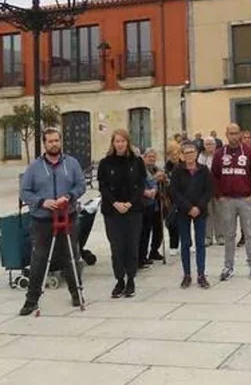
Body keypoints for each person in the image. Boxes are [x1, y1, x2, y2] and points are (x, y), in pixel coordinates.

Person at [18, 128, 86, 316]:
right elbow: (25, 191)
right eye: (50, 141)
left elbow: (81, 185)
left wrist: (69, 196)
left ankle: (76, 294)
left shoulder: (71, 163)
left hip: (67, 215)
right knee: (39, 258)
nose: (54, 144)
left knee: (71, 255)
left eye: (56, 140)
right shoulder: (34, 167)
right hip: (42, 219)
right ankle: (31, 300)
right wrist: (42, 202)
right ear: (44, 143)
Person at [98, 129, 147, 299]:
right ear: (113, 143)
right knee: (117, 247)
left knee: (132, 245)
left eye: (123, 141)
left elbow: (141, 185)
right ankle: (119, 279)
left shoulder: (137, 162)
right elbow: (103, 187)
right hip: (112, 211)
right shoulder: (105, 163)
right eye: (117, 141)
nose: (120, 144)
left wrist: (130, 203)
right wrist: (115, 203)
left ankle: (131, 279)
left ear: (128, 142)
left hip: (133, 209)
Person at [212, 123, 251, 281]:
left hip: (244, 199)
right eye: (230, 133)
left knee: (249, 233)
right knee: (229, 235)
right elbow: (214, 176)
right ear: (226, 135)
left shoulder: (249, 153)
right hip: (227, 200)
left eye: (236, 133)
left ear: (240, 134)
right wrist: (219, 195)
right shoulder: (220, 153)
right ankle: (228, 266)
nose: (234, 136)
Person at [171, 142, 214, 289]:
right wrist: (189, 208)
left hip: (200, 211)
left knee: (200, 243)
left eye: (192, 152)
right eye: (186, 153)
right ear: (182, 155)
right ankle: (187, 274)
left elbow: (208, 191)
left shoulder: (204, 170)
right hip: (184, 211)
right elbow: (174, 193)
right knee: (185, 243)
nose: (189, 155)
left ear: (196, 154)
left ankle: (201, 274)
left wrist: (199, 207)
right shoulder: (177, 171)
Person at [139, 149, 162, 268]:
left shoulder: (156, 168)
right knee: (144, 231)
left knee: (157, 229)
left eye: (154, 157)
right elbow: (144, 183)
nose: (152, 159)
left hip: (155, 203)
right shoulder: (142, 169)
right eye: (149, 157)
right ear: (144, 157)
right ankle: (142, 256)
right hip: (145, 203)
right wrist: (155, 179)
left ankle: (153, 251)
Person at [198, 137, 223, 246]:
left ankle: (220, 237)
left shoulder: (220, 155)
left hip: (218, 188)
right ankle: (208, 238)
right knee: (207, 214)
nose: (209, 146)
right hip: (205, 189)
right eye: (207, 144)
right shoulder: (201, 156)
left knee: (219, 213)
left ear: (215, 145)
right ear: (204, 145)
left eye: (211, 144)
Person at [164, 147, 181, 255]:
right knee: (171, 222)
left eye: (176, 154)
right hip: (170, 199)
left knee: (184, 222)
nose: (174, 157)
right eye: (172, 155)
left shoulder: (183, 166)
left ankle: (187, 243)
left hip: (183, 198)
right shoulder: (166, 168)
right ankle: (173, 245)